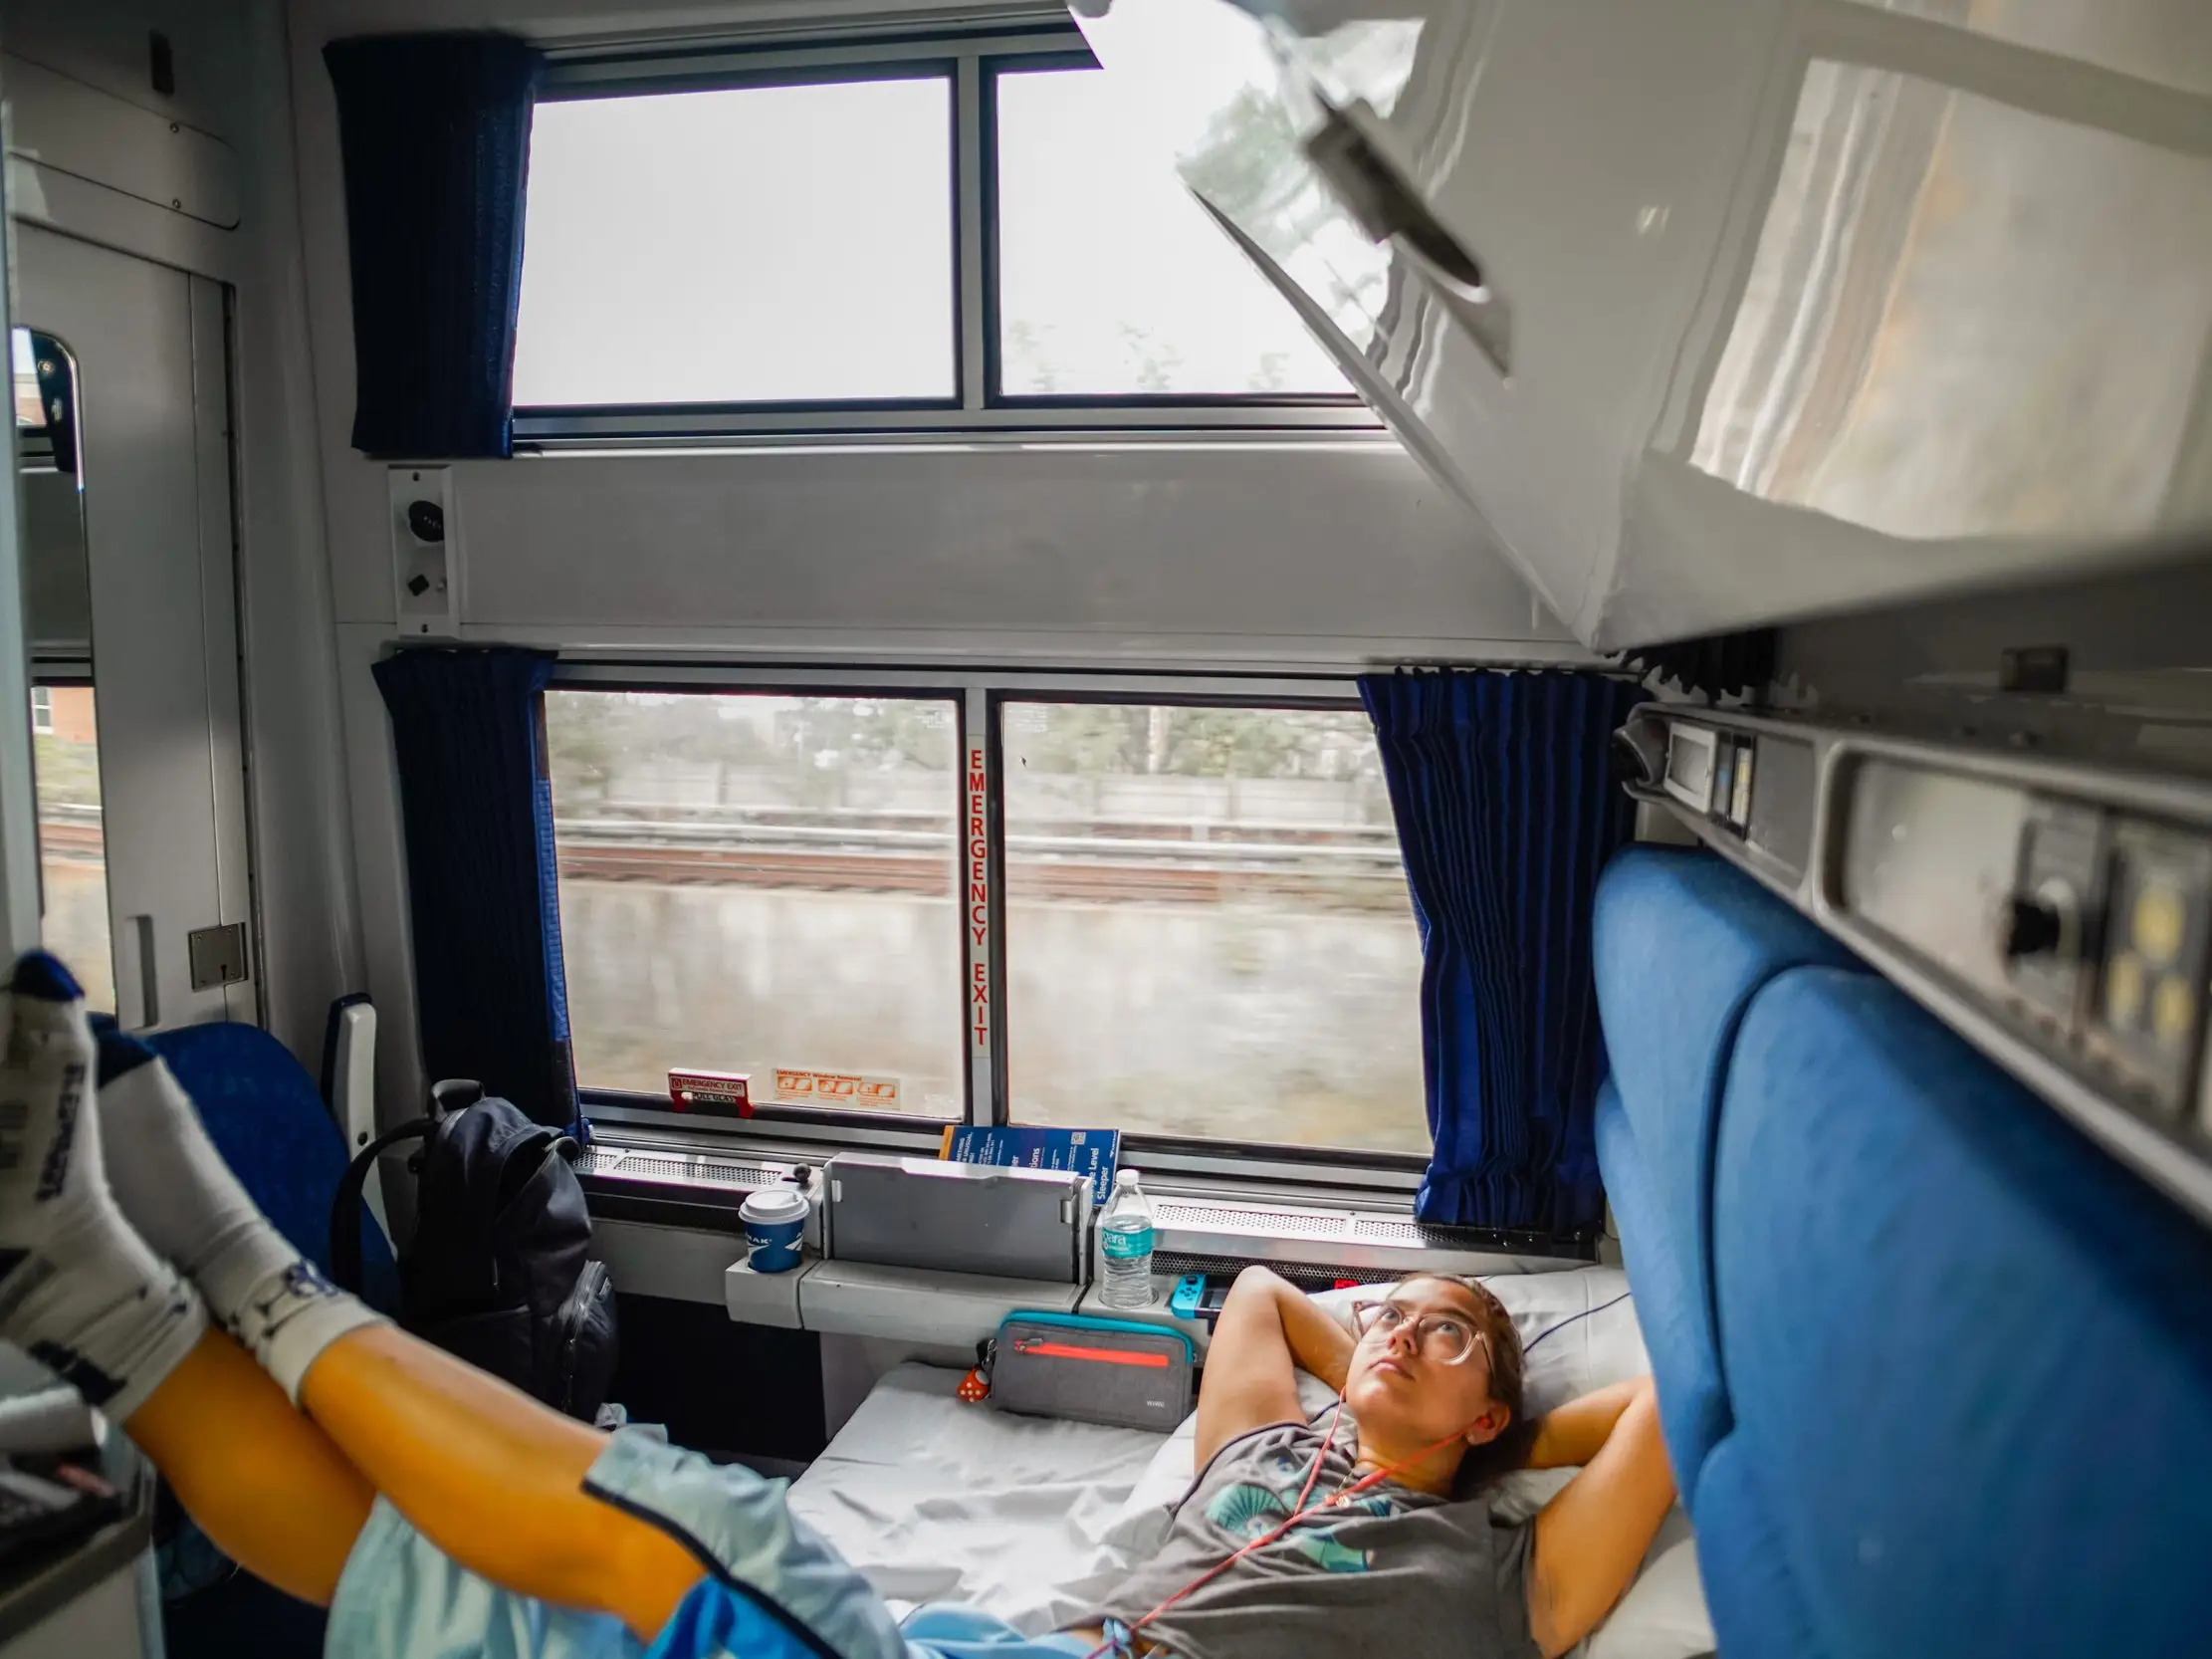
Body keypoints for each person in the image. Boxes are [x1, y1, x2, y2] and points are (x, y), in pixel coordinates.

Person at [0, 950, 1674, 1659]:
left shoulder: (1497, 1579)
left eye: (1446, 1329)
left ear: (1485, 1413)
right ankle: (95, 1295)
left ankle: (221, 1274)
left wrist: (1508, 1430)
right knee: (454, 1581)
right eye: (1390, 1306)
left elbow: (1676, 1406)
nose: (1389, 1323)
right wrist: (1403, 1360)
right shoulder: (1260, 1454)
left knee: (691, 1526)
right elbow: (1255, 1292)